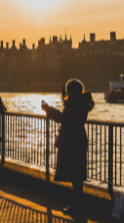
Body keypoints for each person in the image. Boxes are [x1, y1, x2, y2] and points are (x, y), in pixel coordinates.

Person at [41, 79, 95, 213]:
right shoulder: (81, 103)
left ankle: (77, 206)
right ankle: (77, 205)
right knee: (77, 175)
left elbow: (65, 119)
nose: (66, 93)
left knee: (75, 176)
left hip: (72, 141)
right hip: (77, 140)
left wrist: (49, 110)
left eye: (68, 90)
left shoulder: (75, 104)